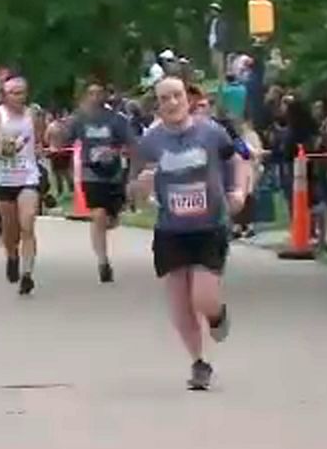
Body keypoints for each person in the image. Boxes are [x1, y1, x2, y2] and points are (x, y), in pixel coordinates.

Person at [129, 77, 248, 390]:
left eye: (176, 96)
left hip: (209, 225)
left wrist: (238, 191)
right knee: (180, 303)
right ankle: (199, 362)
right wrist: (140, 187)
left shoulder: (211, 132)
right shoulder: (151, 141)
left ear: (188, 99)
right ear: (158, 104)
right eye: (164, 98)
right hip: (171, 229)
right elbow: (134, 185)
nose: (171, 103)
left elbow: (238, 159)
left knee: (203, 298)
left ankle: (217, 314)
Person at [0, 76, 45, 294]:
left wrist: (41, 150)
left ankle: (27, 274)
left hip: (28, 177)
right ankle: (12, 256)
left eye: (21, 92)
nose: (18, 97)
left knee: (28, 223)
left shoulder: (33, 115)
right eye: (13, 93)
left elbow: (40, 141)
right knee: (10, 231)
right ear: (4, 95)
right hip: (4, 179)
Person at [66, 82, 134, 282]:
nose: (95, 97)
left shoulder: (117, 120)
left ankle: (107, 226)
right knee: (98, 215)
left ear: (106, 95)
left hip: (113, 174)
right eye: (91, 93)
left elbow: (131, 145)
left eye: (99, 92)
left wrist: (116, 151)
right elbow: (64, 139)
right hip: (91, 172)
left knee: (111, 220)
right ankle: (103, 261)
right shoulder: (80, 119)